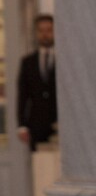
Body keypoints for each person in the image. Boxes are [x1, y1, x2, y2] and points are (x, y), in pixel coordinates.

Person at [17, 14, 58, 151]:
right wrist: (22, 125)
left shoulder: (63, 59)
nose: (45, 34)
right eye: (41, 30)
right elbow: (23, 95)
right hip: (37, 123)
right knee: (40, 164)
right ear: (36, 33)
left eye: (49, 30)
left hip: (59, 121)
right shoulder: (28, 62)